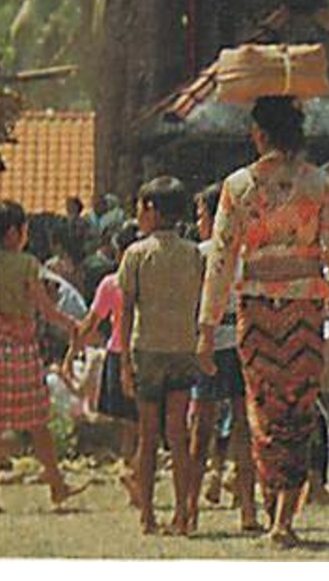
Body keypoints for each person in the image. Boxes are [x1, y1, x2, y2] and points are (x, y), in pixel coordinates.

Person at [199, 95, 329, 547]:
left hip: (257, 312)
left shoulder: (237, 186)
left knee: (262, 411)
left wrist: (207, 328)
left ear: (259, 134)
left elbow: (221, 262)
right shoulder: (320, 185)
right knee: (298, 408)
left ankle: (272, 512)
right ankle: (284, 518)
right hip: (305, 312)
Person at [0, 200, 86, 514]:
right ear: (13, 232)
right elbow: (46, 311)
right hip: (19, 350)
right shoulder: (26, 264)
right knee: (38, 423)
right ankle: (56, 485)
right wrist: (73, 325)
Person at [117, 177, 204, 536]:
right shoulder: (193, 254)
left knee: (148, 436)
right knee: (179, 434)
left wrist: (123, 360)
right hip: (183, 348)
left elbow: (125, 311)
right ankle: (184, 513)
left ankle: (148, 514)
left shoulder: (136, 254)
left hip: (148, 350)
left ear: (152, 210)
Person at [190, 183, 258, 531]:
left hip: (210, 340)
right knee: (244, 429)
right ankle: (248, 510)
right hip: (243, 342)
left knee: (201, 428)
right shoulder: (249, 253)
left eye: (201, 213)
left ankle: (189, 511)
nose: (198, 221)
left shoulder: (202, 253)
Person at [70, 223, 139, 505]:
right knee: (146, 424)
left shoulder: (111, 283)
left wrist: (72, 350)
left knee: (127, 426)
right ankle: (134, 473)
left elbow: (92, 321)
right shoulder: (148, 280)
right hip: (141, 353)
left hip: (115, 354)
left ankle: (129, 468)